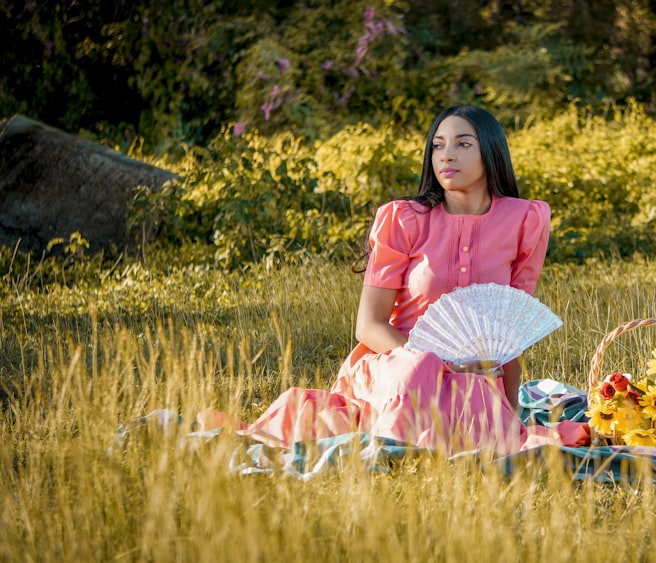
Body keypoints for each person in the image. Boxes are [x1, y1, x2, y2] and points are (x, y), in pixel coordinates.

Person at [199, 106, 579, 455]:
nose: (447, 155)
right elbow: (369, 326)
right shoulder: (404, 219)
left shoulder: (524, 220)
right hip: (394, 364)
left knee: (477, 396)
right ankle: (396, 445)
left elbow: (510, 331)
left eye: (464, 144)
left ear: (491, 152)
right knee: (419, 370)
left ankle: (430, 443)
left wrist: (510, 412)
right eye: (438, 146)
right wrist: (438, 360)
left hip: (471, 379)